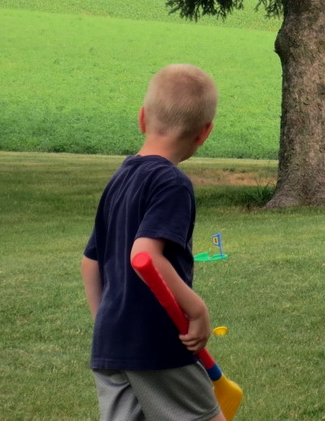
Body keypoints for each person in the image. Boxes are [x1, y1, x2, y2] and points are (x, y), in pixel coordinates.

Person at [81, 64, 225, 420]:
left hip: (111, 346)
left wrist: (108, 325)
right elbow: (144, 256)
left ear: (142, 118)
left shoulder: (121, 178)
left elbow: (90, 262)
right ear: (204, 133)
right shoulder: (171, 183)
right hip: (157, 343)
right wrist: (197, 309)